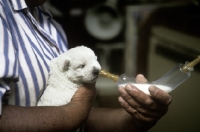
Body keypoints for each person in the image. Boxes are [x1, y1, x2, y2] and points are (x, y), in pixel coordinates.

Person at [0, 0, 172, 131]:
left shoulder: (51, 25)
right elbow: (73, 113)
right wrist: (74, 112)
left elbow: (81, 118)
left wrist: (134, 119)